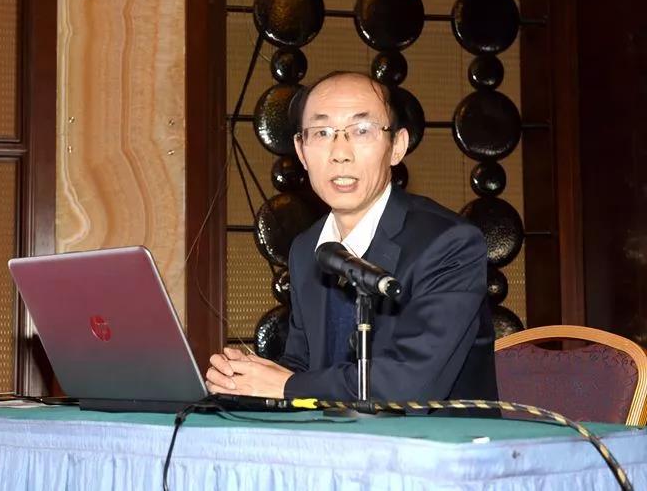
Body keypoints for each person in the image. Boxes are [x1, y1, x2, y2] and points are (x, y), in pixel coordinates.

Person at [206, 71, 498, 405]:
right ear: (301, 151)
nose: (340, 153)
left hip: (434, 436)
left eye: (361, 131)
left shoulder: (450, 243)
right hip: (332, 433)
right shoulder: (306, 248)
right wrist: (247, 380)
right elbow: (301, 367)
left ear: (397, 147)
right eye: (322, 133)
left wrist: (287, 386)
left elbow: (411, 385)